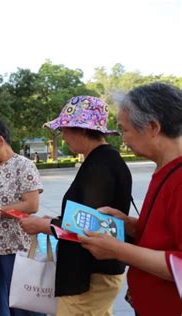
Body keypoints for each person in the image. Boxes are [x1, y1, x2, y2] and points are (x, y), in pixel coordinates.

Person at [20, 96, 133, 315]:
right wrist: (52, 221)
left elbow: (88, 226)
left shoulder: (100, 167)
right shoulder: (103, 160)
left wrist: (43, 226)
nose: (63, 137)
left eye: (65, 130)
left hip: (89, 276)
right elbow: (83, 216)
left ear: (82, 130)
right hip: (97, 273)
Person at [78, 83, 182, 315]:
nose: (123, 139)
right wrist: (132, 225)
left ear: (153, 127)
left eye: (125, 130)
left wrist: (117, 250)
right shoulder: (165, 170)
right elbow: (168, 235)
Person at [0, 118, 44, 316]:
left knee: (21, 301)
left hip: (15, 245)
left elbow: (31, 205)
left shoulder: (24, 166)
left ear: (1, 140)